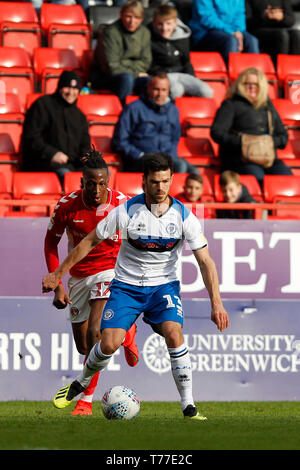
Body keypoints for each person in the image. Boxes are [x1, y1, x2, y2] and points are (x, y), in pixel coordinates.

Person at [42, 152, 229, 420]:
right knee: (105, 344)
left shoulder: (184, 217)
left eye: (165, 181)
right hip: (127, 287)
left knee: (174, 333)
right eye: (155, 182)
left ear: (172, 180)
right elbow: (89, 242)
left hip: (162, 288)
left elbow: (206, 262)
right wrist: (57, 274)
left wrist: (217, 304)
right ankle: (81, 382)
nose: (161, 187)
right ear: (144, 182)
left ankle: (189, 406)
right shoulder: (127, 211)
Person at [44, 148, 139, 416]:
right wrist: (59, 284)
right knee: (85, 346)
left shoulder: (123, 205)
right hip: (78, 277)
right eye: (90, 184)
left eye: (102, 184)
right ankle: (127, 335)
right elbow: (51, 243)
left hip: (111, 270)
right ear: (81, 183)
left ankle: (86, 400)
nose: (96, 190)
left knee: (96, 332)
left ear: (108, 183)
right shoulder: (67, 205)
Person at [210, 67, 293, 187]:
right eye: (247, 83)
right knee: (258, 178)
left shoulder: (268, 107)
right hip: (239, 160)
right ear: (240, 85)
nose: (252, 87)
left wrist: (267, 142)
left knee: (286, 178)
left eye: (256, 84)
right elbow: (216, 132)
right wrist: (243, 142)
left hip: (268, 160)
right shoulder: (230, 105)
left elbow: (283, 137)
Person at [112, 72, 200, 174]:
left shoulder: (173, 110)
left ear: (168, 91)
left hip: (166, 158)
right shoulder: (133, 109)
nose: (160, 94)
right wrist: (138, 155)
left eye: (163, 90)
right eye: (156, 89)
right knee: (180, 166)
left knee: (196, 174)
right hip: (140, 159)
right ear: (148, 88)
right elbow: (120, 141)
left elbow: (175, 139)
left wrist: (170, 156)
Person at [21, 70, 91, 184]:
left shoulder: (80, 116)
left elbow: (85, 146)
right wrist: (52, 153)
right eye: (67, 88)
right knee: (68, 177)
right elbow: (31, 137)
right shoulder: (42, 105)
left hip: (73, 166)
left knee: (101, 173)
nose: (71, 92)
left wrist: (90, 162)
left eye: (74, 89)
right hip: (44, 164)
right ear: (60, 87)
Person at [90, 0, 152, 106]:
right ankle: (122, 112)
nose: (132, 22)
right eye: (128, 16)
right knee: (127, 79)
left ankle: (145, 114)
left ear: (141, 19)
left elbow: (146, 62)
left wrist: (126, 65)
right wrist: (136, 73)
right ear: (121, 15)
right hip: (106, 77)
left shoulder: (145, 33)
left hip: (132, 74)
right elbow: (112, 66)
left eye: (136, 18)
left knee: (150, 82)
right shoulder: (110, 32)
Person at [148, 4, 213, 100]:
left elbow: (186, 62)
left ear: (175, 23)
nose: (164, 28)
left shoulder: (182, 38)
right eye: (160, 24)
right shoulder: (149, 37)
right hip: (163, 75)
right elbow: (149, 64)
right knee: (176, 90)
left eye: (168, 23)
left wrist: (192, 78)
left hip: (181, 74)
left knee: (206, 91)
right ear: (154, 23)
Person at [189, 0, 260, 64]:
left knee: (252, 41)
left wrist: (238, 32)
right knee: (231, 40)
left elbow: (240, 15)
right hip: (205, 33)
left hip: (232, 32)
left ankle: (254, 75)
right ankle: (232, 74)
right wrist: (231, 32)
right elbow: (207, 18)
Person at [246, 0, 300, 66]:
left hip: (279, 28)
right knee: (282, 35)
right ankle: (279, 67)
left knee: (296, 34)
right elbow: (247, 22)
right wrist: (263, 16)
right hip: (259, 29)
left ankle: (294, 68)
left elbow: (291, 20)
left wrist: (282, 17)